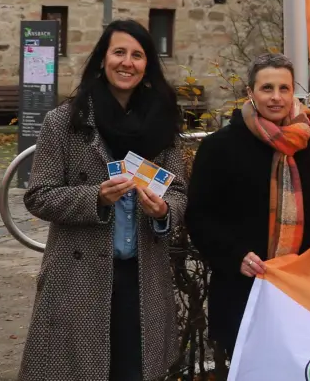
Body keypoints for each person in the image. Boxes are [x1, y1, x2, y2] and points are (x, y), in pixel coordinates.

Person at [19, 19, 186, 381]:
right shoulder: (64, 122)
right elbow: (38, 196)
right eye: (119, 52)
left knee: (134, 371)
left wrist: (163, 210)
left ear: (147, 67)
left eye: (138, 55)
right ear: (102, 60)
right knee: (77, 371)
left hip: (142, 277)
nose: (127, 62)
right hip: (78, 276)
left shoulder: (163, 122)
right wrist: (95, 197)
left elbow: (179, 193)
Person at [185, 53, 310, 357]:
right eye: (267, 88)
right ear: (250, 93)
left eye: (284, 89)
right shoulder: (219, 147)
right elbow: (199, 217)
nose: (276, 97)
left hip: (303, 292)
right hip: (243, 290)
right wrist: (235, 257)